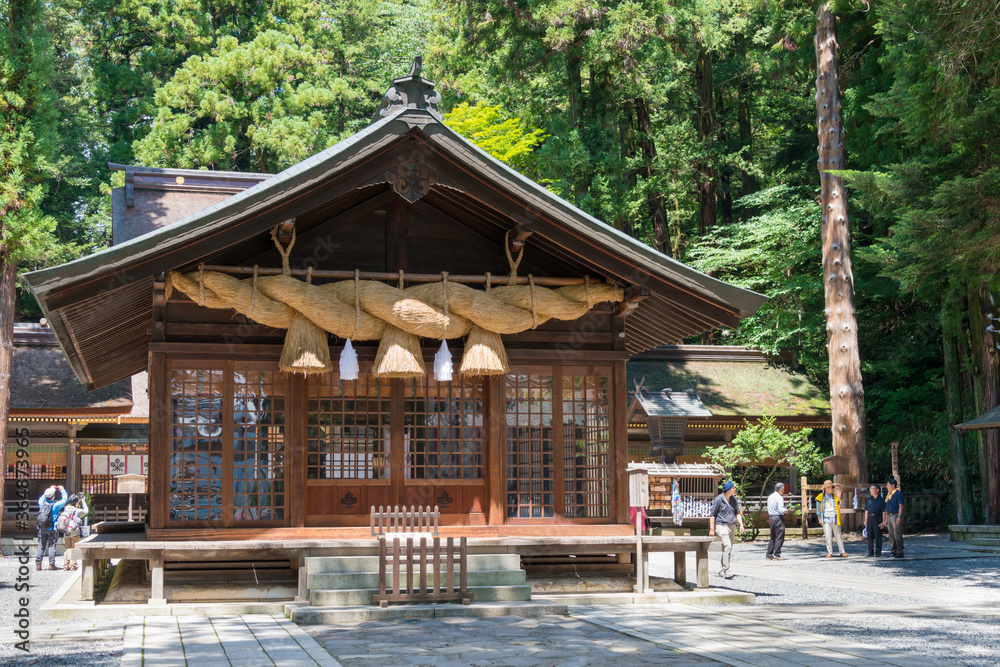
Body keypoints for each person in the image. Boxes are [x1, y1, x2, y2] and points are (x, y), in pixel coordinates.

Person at [708, 480, 744, 579]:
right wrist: (712, 528)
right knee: (727, 545)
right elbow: (712, 514)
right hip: (721, 525)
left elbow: (737, 512)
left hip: (732, 525)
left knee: (728, 548)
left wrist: (741, 524)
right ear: (728, 489)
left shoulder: (734, 499)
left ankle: (722, 569)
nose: (735, 489)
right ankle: (727, 569)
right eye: (733, 488)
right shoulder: (718, 499)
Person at [35, 485, 67, 571]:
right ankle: (51, 564)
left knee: (41, 545)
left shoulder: (41, 503)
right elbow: (64, 499)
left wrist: (50, 489)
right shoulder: (55, 506)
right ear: (53, 496)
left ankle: (38, 564)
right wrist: (62, 490)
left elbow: (42, 497)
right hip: (52, 528)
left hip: (41, 528)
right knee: (52, 545)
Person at [56, 494, 89, 571]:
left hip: (66, 533)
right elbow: (86, 511)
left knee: (67, 548)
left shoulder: (65, 510)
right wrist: (83, 501)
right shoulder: (77, 511)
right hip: (74, 532)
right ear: (77, 502)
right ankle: (73, 566)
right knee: (74, 548)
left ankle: (65, 565)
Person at [815, 480, 847, 558]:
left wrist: (839, 497)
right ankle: (829, 552)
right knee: (827, 536)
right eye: (831, 487)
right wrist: (819, 518)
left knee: (838, 535)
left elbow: (842, 504)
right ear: (826, 488)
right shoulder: (820, 496)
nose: (832, 489)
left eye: (832, 487)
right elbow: (818, 509)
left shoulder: (835, 496)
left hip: (834, 517)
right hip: (826, 518)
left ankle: (842, 551)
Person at [765, 482, 787, 561]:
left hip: (771, 517)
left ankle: (769, 554)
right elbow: (781, 510)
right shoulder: (779, 497)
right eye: (783, 489)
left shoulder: (770, 497)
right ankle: (777, 554)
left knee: (772, 536)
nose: (783, 491)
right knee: (779, 536)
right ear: (780, 489)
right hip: (778, 517)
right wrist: (785, 511)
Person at [863, 484, 887, 557]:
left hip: (878, 518)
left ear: (877, 490)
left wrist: (883, 521)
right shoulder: (869, 499)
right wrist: (865, 520)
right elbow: (866, 510)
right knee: (869, 536)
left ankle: (878, 552)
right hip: (870, 517)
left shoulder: (881, 500)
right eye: (870, 489)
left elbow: (884, 511)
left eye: (873, 489)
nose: (871, 490)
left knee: (878, 536)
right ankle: (870, 552)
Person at [885, 478, 905, 558]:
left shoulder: (898, 494)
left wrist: (899, 516)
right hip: (889, 515)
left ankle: (900, 551)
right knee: (891, 534)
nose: (887, 486)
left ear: (893, 485)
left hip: (895, 514)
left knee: (897, 533)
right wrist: (886, 517)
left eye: (888, 485)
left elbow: (901, 505)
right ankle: (893, 550)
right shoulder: (889, 494)